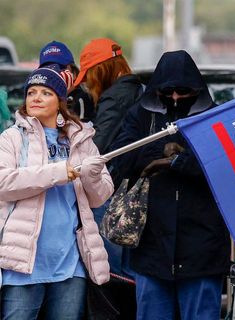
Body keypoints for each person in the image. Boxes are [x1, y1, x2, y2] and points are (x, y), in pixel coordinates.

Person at [111, 50, 231, 320]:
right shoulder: (141, 114)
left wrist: (176, 161)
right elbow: (121, 157)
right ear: (157, 90)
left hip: (202, 247)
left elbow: (222, 165)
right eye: (168, 91)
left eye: (183, 91)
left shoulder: (214, 117)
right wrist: (163, 151)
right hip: (151, 246)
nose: (175, 97)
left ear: (197, 90)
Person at [0, 64, 114, 319]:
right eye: (32, 92)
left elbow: (100, 197)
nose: (36, 98)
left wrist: (91, 175)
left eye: (45, 92)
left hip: (70, 265)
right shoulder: (12, 138)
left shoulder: (81, 139)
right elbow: (3, 184)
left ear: (60, 101)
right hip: (22, 265)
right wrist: (58, 172)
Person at [74, 37, 143, 320]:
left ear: (101, 69)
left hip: (112, 194)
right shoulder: (139, 90)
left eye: (89, 75)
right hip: (131, 193)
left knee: (112, 271)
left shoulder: (116, 97)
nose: (89, 84)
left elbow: (96, 149)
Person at [39, 40, 95, 122]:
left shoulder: (81, 100)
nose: (54, 74)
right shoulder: (37, 100)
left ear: (74, 73)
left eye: (60, 68)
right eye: (48, 69)